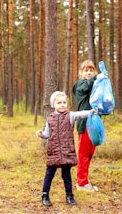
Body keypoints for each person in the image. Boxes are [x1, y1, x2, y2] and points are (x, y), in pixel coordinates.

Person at [35, 91, 97, 206]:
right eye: (59, 103)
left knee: (66, 175)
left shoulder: (70, 116)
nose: (62, 105)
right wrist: (41, 134)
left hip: (67, 151)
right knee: (49, 174)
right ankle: (45, 195)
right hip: (53, 151)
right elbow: (47, 134)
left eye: (64, 102)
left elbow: (80, 114)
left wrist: (91, 112)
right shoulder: (50, 118)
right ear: (54, 104)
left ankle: (69, 196)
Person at [72, 60, 105, 192]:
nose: (89, 72)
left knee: (90, 153)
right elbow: (86, 86)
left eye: (91, 70)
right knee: (84, 153)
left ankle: (84, 180)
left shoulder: (95, 86)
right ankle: (81, 183)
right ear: (81, 72)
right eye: (86, 70)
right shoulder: (79, 84)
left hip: (95, 124)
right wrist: (98, 77)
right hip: (84, 123)